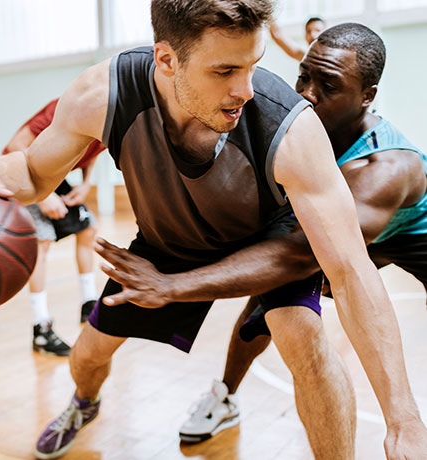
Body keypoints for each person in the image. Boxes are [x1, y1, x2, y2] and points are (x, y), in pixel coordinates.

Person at [0, 2, 427, 459]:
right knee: (86, 357)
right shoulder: (103, 93)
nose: (245, 89)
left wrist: (404, 421)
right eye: (224, 70)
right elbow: (35, 175)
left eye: (254, 65)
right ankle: (83, 404)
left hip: (264, 237)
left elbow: (352, 270)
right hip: (167, 243)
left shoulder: (289, 125)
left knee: (305, 340)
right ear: (167, 59)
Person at [96, 21, 427, 454]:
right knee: (269, 305)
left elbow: (301, 255)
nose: (307, 93)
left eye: (327, 84)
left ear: (367, 96)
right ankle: (225, 396)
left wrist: (173, 286)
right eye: (303, 76)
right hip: (322, 231)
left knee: (289, 269)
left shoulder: (383, 169)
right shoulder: (290, 127)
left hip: (408, 234)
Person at [3, 99, 106, 356]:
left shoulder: (114, 120)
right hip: (21, 171)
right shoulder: (67, 107)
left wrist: (86, 183)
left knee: (87, 230)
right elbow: (17, 145)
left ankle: (89, 303)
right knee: (42, 242)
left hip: (50, 175)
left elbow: (91, 151)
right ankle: (41, 328)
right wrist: (43, 196)